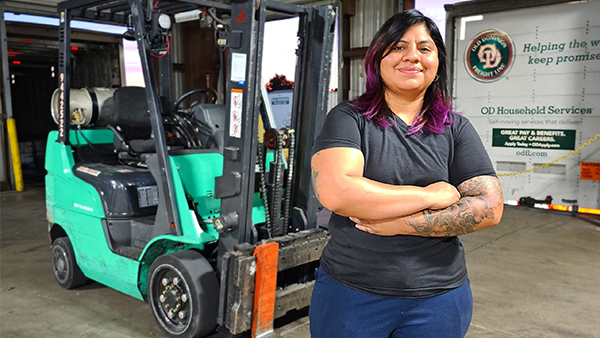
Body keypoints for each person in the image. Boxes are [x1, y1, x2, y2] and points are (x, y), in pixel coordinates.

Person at [309, 9, 504, 338]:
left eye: (424, 49)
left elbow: (489, 207)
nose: (412, 56)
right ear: (378, 58)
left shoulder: (455, 129)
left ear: (437, 61)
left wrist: (398, 224)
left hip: (438, 298)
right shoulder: (348, 118)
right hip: (351, 293)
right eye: (398, 46)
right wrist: (432, 195)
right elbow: (337, 191)